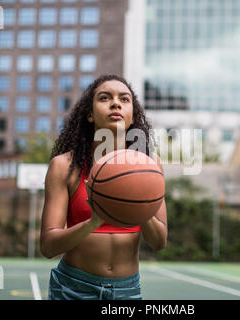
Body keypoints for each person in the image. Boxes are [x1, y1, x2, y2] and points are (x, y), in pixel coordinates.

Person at [40, 74, 168, 300]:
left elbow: (159, 242)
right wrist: (94, 221)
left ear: (132, 117)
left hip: (126, 291)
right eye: (104, 98)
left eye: (124, 99)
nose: (116, 103)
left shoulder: (149, 166)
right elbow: (48, 247)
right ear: (90, 114)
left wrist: (141, 205)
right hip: (73, 288)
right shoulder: (64, 166)